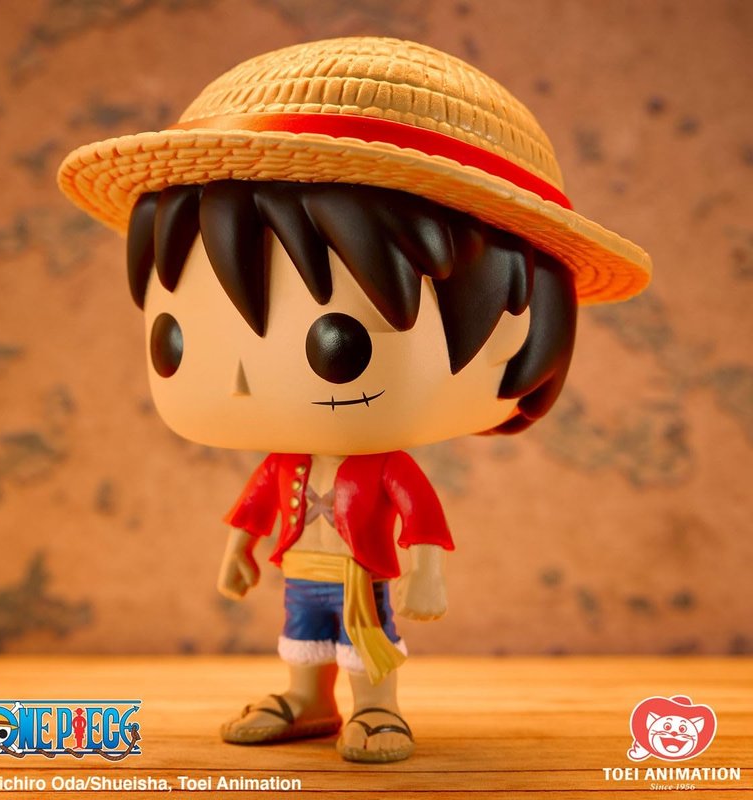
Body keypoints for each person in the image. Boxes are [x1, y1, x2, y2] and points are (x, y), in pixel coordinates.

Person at [58, 36, 651, 763]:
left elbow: (421, 521)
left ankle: (375, 708)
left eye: (337, 342)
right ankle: (308, 701)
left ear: (510, 326)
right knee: (303, 640)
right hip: (301, 575)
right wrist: (239, 549)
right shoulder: (286, 463)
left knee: (367, 643)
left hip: (359, 574)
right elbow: (255, 506)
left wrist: (427, 572)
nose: (240, 380)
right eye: (173, 339)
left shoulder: (382, 469)